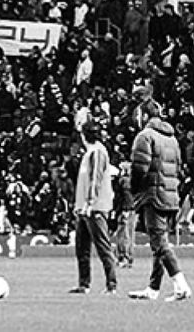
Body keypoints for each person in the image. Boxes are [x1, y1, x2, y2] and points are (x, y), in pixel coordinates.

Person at [127, 103, 192, 301]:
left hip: (154, 195)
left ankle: (181, 285)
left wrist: (134, 189)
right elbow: (179, 168)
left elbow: (140, 168)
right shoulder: (171, 138)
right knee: (161, 243)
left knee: (159, 243)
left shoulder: (145, 136)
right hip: (171, 195)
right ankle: (153, 288)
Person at [68, 120, 118, 295]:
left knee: (103, 246)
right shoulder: (89, 152)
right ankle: (84, 284)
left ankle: (112, 285)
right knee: (82, 249)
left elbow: (95, 179)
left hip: (94, 207)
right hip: (84, 208)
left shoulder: (97, 153)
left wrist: (90, 202)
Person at [112, 160, 136, 268]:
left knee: (124, 234)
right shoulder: (132, 181)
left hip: (125, 209)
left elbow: (123, 197)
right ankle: (126, 257)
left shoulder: (123, 181)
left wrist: (120, 209)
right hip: (131, 209)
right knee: (128, 234)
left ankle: (123, 257)